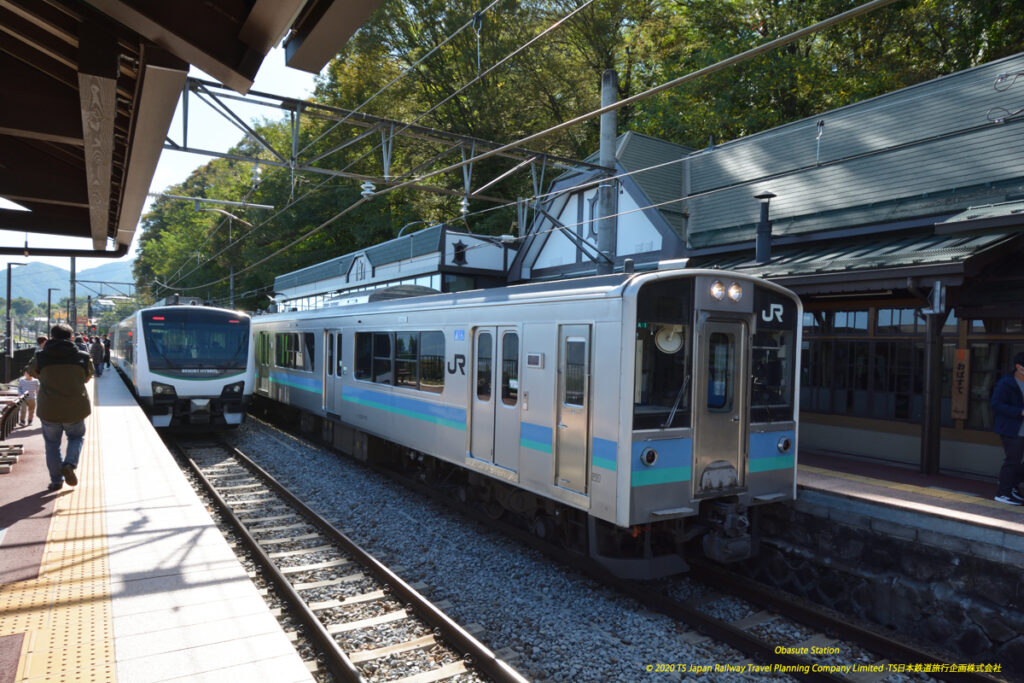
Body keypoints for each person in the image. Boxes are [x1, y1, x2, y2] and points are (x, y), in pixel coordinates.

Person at [28, 323, 94, 492]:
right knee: (76, 437)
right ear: (71, 337)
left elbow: (32, 372)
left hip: (49, 408)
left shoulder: (41, 356)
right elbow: (87, 377)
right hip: (75, 408)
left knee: (52, 444)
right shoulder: (83, 356)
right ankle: (70, 464)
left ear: (51, 337)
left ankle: (56, 481)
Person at [991, 351, 1024, 505]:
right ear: (1019, 367)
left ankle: (1011, 486)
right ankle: (1003, 493)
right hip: (1012, 430)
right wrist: (1020, 412)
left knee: (1016, 463)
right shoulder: (1006, 383)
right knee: (1013, 461)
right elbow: (996, 405)